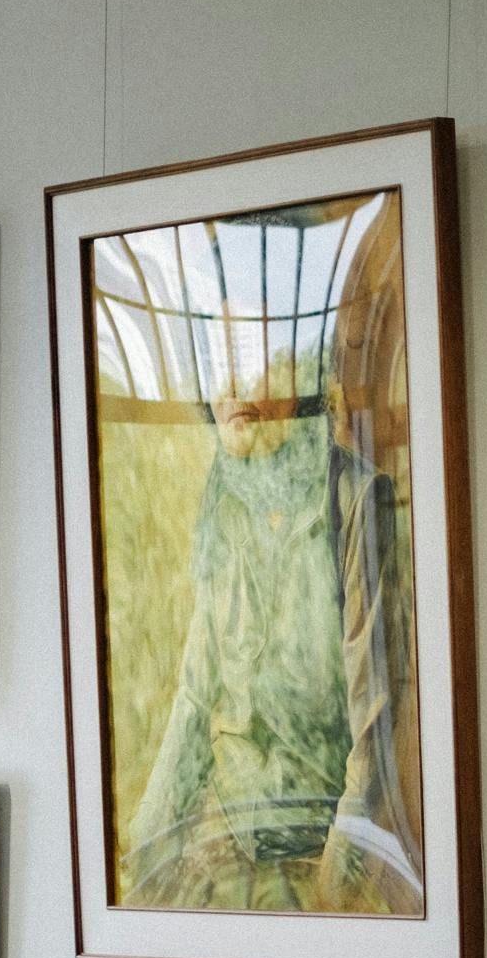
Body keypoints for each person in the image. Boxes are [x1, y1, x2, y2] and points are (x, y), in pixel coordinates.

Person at [121, 354, 422, 915]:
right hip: (224, 831)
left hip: (321, 847)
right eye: (219, 365)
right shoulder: (224, 503)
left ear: (300, 378)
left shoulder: (358, 501)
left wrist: (332, 891)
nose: (232, 386)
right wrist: (142, 850)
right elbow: (195, 694)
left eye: (251, 363)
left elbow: (376, 722)